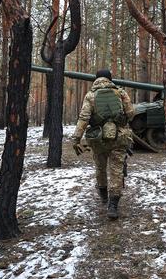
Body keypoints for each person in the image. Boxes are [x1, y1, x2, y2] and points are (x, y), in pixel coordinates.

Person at [71, 69, 135, 220]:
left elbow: (83, 118)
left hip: (98, 140)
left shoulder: (90, 95)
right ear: (110, 79)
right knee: (116, 171)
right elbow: (131, 113)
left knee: (100, 168)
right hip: (119, 138)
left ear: (96, 79)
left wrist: (76, 139)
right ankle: (113, 206)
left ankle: (103, 195)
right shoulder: (120, 93)